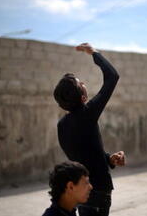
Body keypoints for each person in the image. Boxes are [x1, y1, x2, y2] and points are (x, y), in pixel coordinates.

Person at [53, 43, 125, 216]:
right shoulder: (87, 113)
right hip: (98, 192)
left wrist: (109, 159)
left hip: (81, 193)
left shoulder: (62, 126)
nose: (84, 82)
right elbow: (112, 76)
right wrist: (94, 52)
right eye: (80, 83)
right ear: (83, 97)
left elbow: (83, 157)